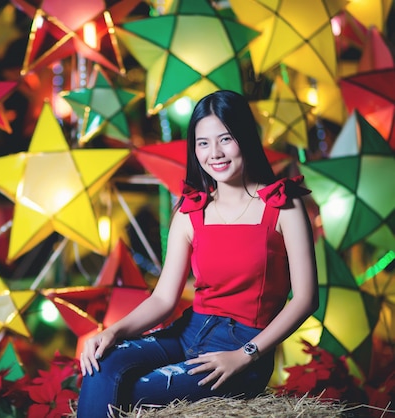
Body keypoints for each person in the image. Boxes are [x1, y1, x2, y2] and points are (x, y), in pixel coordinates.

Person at [76, 90, 319, 417]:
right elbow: (163, 299)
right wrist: (112, 331)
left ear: (245, 138)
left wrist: (245, 354)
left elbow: (306, 299)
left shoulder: (283, 206)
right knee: (101, 366)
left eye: (226, 139)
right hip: (188, 330)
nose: (214, 153)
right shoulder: (191, 211)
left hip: (242, 344)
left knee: (132, 391)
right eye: (203, 143)